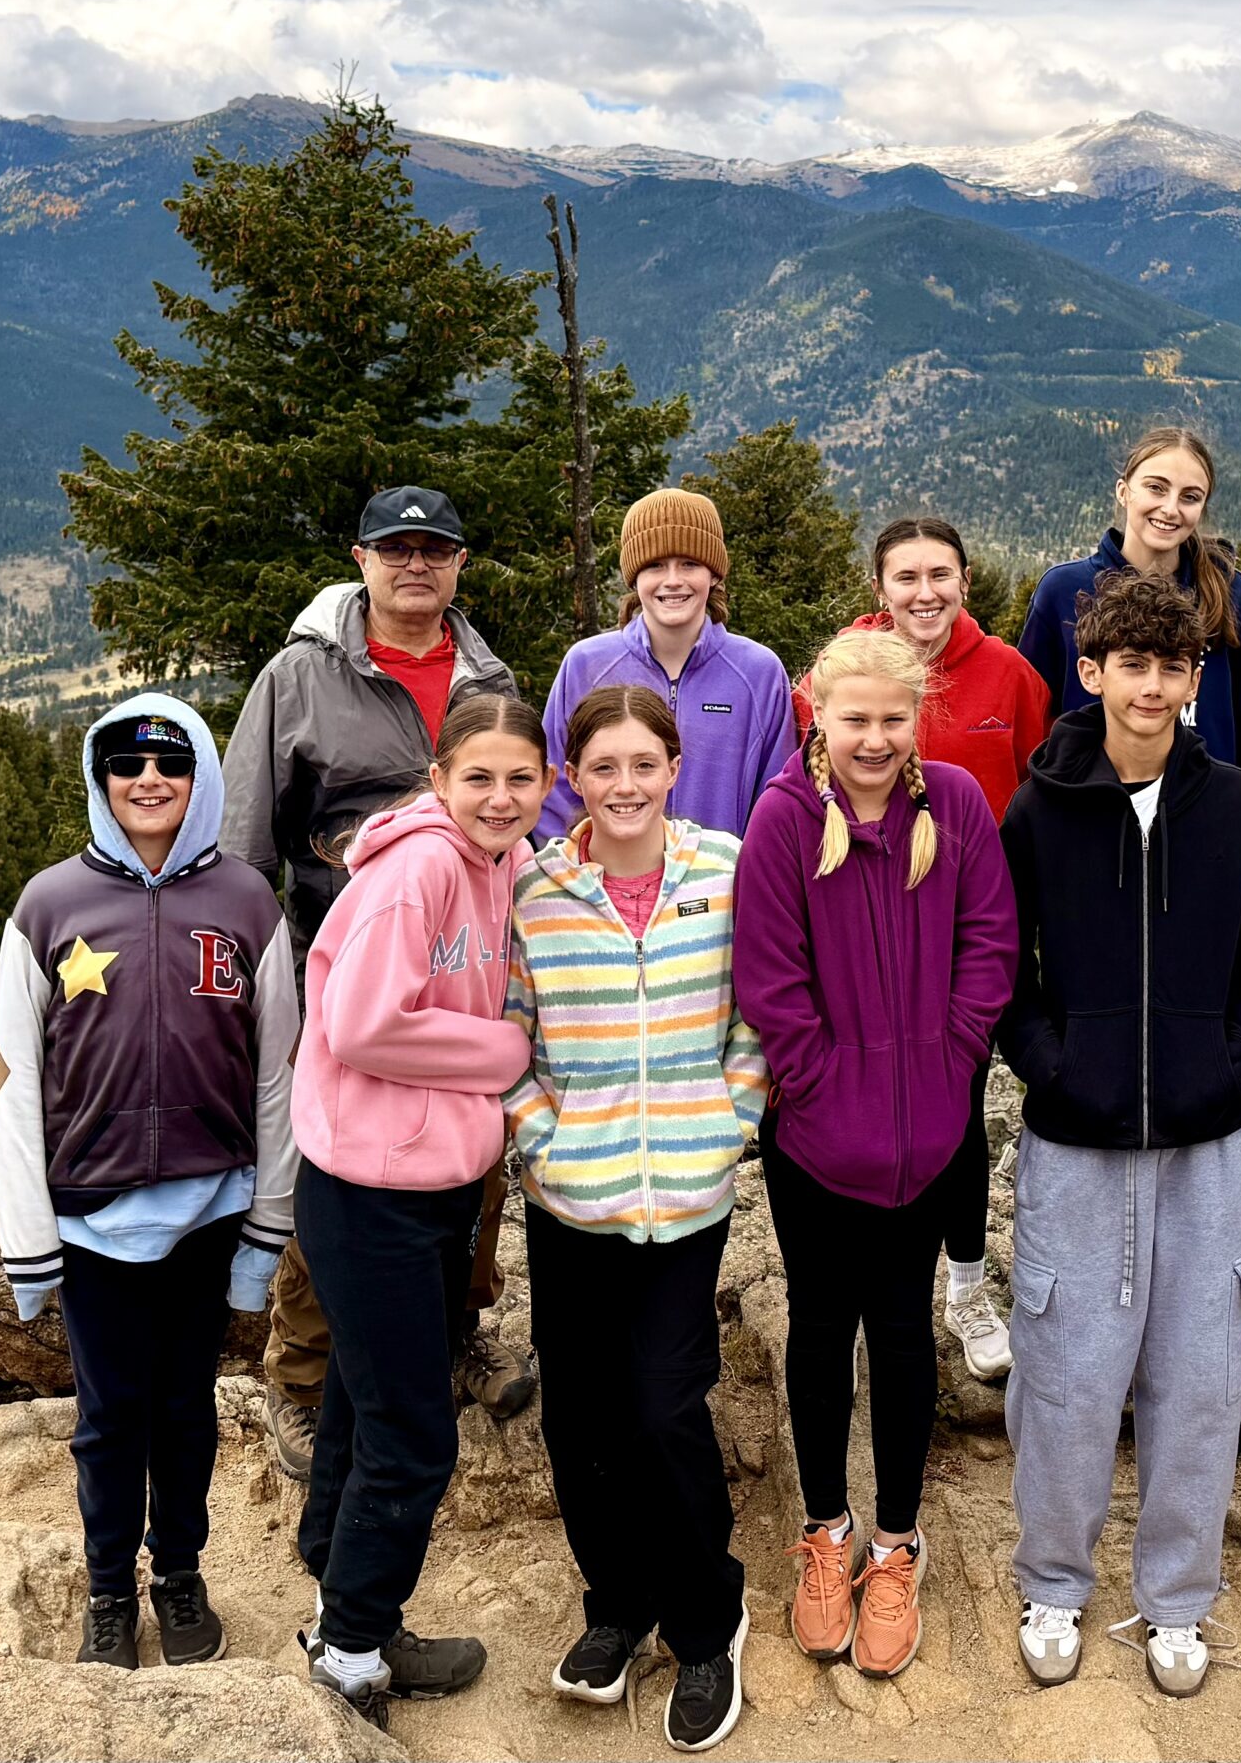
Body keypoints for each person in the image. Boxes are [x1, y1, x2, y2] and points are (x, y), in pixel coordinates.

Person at [997, 572, 1241, 1698]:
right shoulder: (1037, 808)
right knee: (1067, 1377)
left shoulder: (1237, 805)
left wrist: (1229, 1063)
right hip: (1076, 1146)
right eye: (1131, 664)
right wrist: (1053, 1060)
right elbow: (1002, 970)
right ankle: (1054, 1582)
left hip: (1210, 1143)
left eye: (1172, 667)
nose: (1152, 685)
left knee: (1203, 1378)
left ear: (1193, 680)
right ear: (1092, 672)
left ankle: (1177, 1602)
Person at [223, 485, 535, 1481]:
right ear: (359, 557)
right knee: (341, 1161)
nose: (415, 564)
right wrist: (250, 972)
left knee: (470, 1154)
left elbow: (513, 812)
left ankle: (452, 1333)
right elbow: (243, 838)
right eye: (395, 548)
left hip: (468, 963)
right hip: (339, 957)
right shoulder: (300, 677)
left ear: (459, 563)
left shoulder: (486, 674)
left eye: (434, 549)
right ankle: (305, 1377)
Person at [0, 695, 298, 1672]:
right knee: (110, 1417)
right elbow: (10, 1081)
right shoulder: (47, 906)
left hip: (210, 1214)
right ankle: (111, 1590)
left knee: (186, 1409)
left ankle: (181, 1575)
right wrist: (27, 1240)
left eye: (170, 759)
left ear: (201, 773)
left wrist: (265, 1230)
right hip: (90, 1225)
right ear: (100, 775)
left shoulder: (249, 902)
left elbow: (279, 1072)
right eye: (126, 759)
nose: (149, 776)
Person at [736, 628, 1019, 1682]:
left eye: (893, 719)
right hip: (815, 1139)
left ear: (918, 719)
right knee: (820, 1330)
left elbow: (990, 943)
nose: (873, 737)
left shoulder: (951, 805)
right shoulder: (780, 822)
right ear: (817, 711)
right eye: (853, 718)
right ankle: (826, 1527)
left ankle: (896, 1540)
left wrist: (950, 1067)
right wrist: (820, 1090)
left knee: (903, 1335)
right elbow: (770, 982)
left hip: (928, 1132)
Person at [506, 686, 766, 1752]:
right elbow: (510, 1025)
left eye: (642, 764)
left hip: (685, 1192)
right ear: (574, 775)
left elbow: (758, 1011)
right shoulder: (535, 886)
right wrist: (541, 1138)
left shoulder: (727, 867)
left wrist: (727, 1118)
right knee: (579, 1415)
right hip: (571, 1194)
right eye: (601, 765)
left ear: (672, 767)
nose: (623, 785)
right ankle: (617, 1603)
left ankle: (709, 1619)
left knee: (665, 1404)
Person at [289, 695, 549, 1728]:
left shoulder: (497, 863)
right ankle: (351, 1655)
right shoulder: (422, 868)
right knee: (411, 1433)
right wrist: (501, 1055)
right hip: (369, 1193)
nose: (499, 796)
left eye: (520, 778)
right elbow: (356, 1022)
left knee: (361, 1404)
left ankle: (337, 1593)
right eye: (477, 776)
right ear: (437, 779)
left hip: (423, 1188)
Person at [792, 515, 1048, 1383]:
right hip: (852, 952)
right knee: (847, 1120)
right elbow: (799, 792)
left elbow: (1041, 789)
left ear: (966, 583)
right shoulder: (834, 672)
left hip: (965, 942)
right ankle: (866, 1296)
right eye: (906, 576)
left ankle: (966, 1287)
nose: (925, 591)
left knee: (959, 1120)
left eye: (941, 573)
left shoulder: (1008, 675)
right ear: (880, 588)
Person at [533, 486, 796, 842]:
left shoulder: (759, 673)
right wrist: (573, 878)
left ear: (714, 575)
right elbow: (554, 788)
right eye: (655, 565)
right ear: (635, 577)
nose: (673, 580)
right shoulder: (587, 664)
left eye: (689, 563)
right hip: (596, 889)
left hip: (722, 891)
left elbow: (777, 801)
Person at [1016, 427, 1241, 771]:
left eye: (1190, 497)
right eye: (1156, 488)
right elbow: (1028, 717)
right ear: (1124, 492)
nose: (1170, 509)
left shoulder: (1230, 592)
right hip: (1088, 805)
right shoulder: (1063, 590)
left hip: (1208, 809)